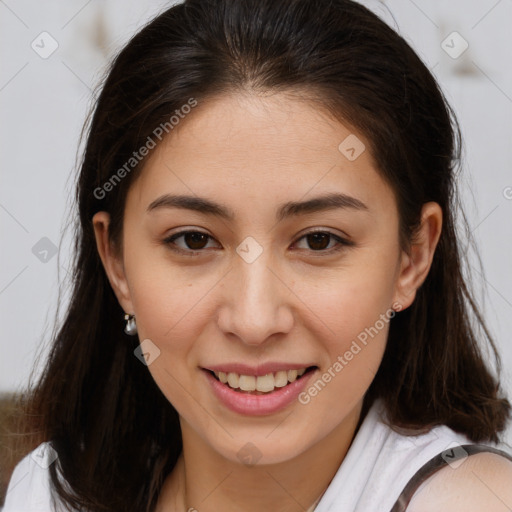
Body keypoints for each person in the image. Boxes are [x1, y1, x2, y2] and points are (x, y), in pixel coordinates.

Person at [3, 0, 512, 511]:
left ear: (412, 257)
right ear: (116, 263)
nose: (253, 320)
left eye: (319, 240)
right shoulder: (48, 494)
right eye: (193, 240)